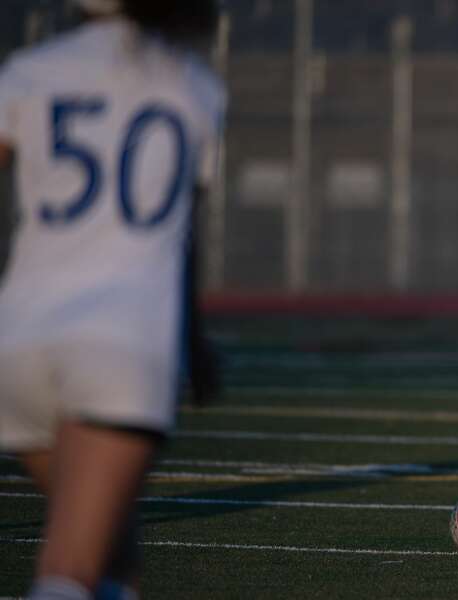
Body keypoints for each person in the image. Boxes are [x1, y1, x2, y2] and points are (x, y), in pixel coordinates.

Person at [0, 0, 225, 597]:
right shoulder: (193, 87)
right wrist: (197, 341)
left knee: (112, 559)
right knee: (71, 569)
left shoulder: (29, 69)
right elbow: (183, 235)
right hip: (123, 345)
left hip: (20, 338)